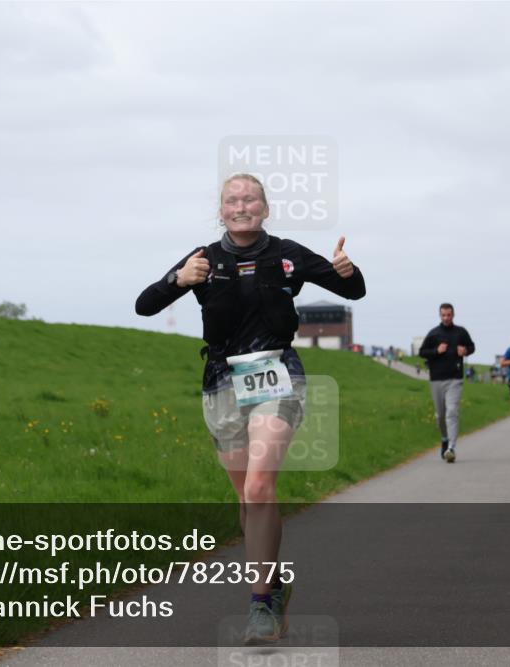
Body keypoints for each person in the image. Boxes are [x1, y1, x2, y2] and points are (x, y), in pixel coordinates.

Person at [135, 173, 366, 644]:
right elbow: (144, 305)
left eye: (250, 199)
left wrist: (347, 270)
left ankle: (260, 602)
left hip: (276, 372)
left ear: (265, 207)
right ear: (221, 210)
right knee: (247, 497)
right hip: (220, 378)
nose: (241, 206)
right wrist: (176, 279)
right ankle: (276, 586)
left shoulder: (288, 254)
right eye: (232, 200)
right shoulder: (204, 258)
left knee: (261, 485)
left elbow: (354, 291)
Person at [418, 303, 476, 463]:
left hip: (455, 378)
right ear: (440, 315)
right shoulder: (433, 334)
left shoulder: (461, 332)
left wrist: (465, 351)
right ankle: (444, 438)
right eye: (443, 315)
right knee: (440, 416)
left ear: (453, 315)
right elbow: (422, 352)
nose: (446, 317)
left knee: (452, 412)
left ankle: (451, 447)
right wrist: (436, 351)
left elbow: (472, 346)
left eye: (449, 315)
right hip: (436, 379)